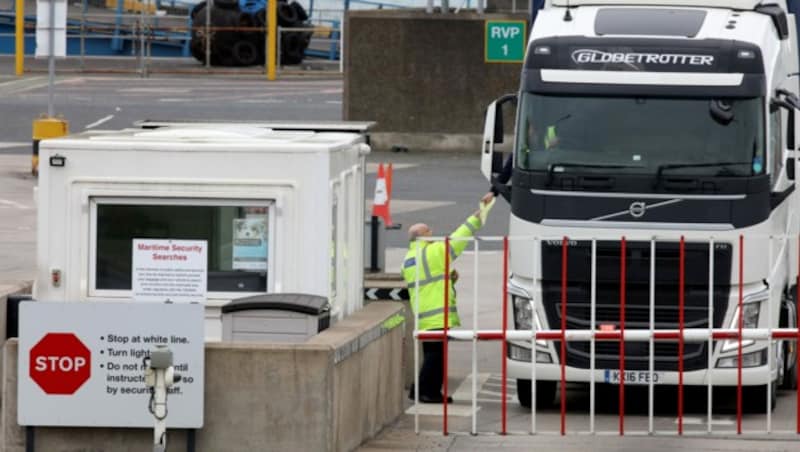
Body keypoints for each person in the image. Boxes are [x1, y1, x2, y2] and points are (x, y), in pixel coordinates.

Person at [401, 201, 488, 403]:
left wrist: (448, 278)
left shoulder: (409, 258)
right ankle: (428, 393)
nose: (433, 233)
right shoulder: (434, 252)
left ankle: (419, 390)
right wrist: (478, 215)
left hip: (423, 315)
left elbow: (428, 279)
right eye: (430, 231)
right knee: (436, 357)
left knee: (431, 354)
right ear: (424, 235)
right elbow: (460, 237)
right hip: (437, 313)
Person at [483, 119, 559, 203]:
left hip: (552, 189)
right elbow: (506, 172)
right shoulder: (521, 147)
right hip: (529, 192)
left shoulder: (552, 137)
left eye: (529, 129)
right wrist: (492, 192)